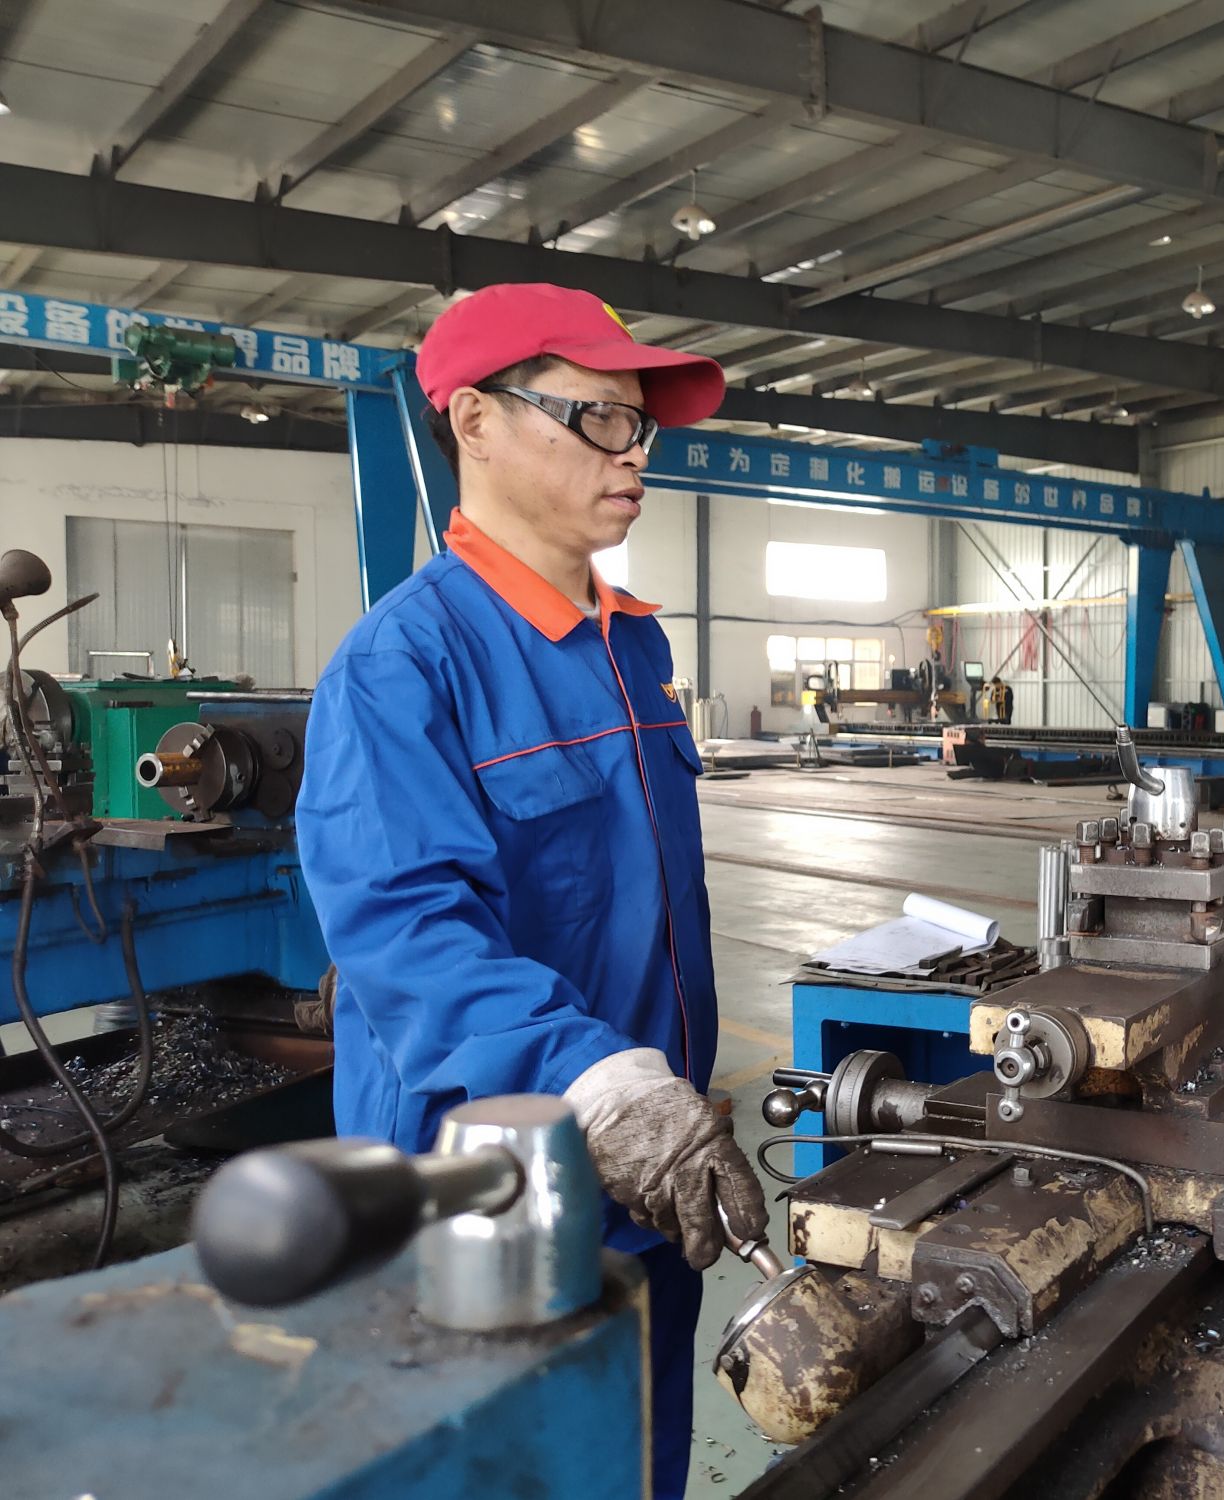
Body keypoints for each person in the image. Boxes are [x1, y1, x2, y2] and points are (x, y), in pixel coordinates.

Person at [296, 282, 767, 1497]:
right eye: (596, 418)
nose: (631, 454)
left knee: (636, 1467)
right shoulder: (405, 662)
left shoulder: (630, 647)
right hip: (482, 1205)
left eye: (639, 426)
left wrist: (653, 1106)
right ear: (473, 423)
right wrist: (598, 1082)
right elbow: (410, 937)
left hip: (643, 1176)